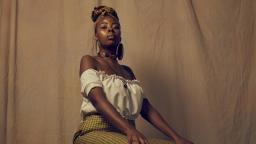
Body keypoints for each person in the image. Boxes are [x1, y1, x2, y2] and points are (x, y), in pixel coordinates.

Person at [73, 5, 194, 144]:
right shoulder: (89, 61)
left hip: (127, 133)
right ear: (96, 36)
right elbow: (98, 100)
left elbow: (146, 109)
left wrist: (176, 137)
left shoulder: (128, 72)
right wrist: (128, 129)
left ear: (120, 34)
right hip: (95, 131)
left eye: (115, 27)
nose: (110, 29)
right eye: (104, 27)